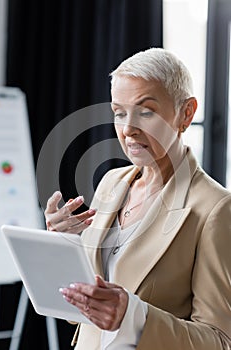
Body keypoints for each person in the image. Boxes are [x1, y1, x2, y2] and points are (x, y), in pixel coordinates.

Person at [44, 48, 231, 349]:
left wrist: (133, 316)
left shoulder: (216, 209)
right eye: (119, 112)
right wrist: (62, 247)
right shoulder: (111, 183)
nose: (128, 129)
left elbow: (219, 340)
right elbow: (79, 312)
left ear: (186, 113)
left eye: (145, 111)